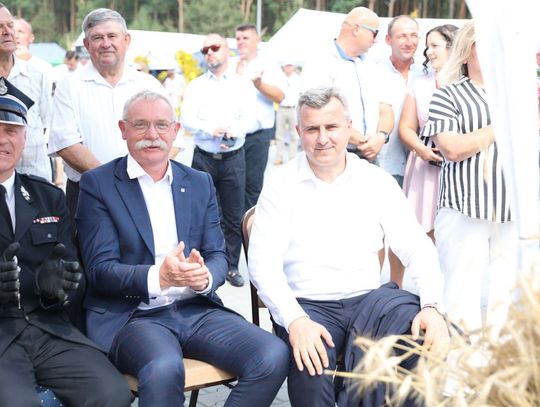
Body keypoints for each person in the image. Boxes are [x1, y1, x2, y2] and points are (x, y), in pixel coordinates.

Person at [76, 90, 289, 407]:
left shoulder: (199, 181)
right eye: (141, 125)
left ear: (175, 131)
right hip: (135, 316)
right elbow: (100, 271)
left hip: (196, 309)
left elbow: (218, 256)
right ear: (123, 129)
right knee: (164, 368)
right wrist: (159, 277)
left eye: (162, 125)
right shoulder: (99, 184)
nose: (152, 134)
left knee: (272, 353)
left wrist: (204, 277)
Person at [248, 86, 449, 406]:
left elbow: (416, 246)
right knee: (311, 372)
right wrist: (295, 320)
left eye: (331, 127)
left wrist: (432, 306)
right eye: (312, 129)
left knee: (426, 342)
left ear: (348, 127)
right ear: (298, 131)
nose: (322, 138)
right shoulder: (281, 184)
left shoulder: (375, 180)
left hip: (372, 305)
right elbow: (263, 264)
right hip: (308, 306)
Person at [0, 77, 132, 407]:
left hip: (48, 328)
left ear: (24, 137)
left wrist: (56, 290)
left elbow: (74, 277)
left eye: (11, 130)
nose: (2, 139)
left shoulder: (48, 198)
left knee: (113, 395)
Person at [422, 22, 516, 332]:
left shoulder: (518, 95)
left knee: (508, 296)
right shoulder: (447, 95)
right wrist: (501, 124)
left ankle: (502, 358)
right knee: (461, 295)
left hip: (511, 208)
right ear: (466, 51)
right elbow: (452, 148)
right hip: (465, 205)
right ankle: (461, 360)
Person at [48, 8, 171, 220]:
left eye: (112, 36)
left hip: (144, 192)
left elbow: (171, 138)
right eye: (97, 38)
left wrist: (144, 174)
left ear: (126, 40)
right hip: (88, 194)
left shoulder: (149, 85)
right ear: (87, 45)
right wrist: (112, 182)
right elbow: (66, 144)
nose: (106, 44)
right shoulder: (69, 86)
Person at [181, 33, 256, 287]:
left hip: (233, 157)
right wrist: (210, 129)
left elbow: (251, 118)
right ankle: (199, 263)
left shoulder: (242, 84)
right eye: (205, 50)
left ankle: (231, 266)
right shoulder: (196, 86)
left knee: (234, 216)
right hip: (204, 158)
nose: (210, 53)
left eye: (214, 47)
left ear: (227, 50)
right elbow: (186, 118)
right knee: (198, 212)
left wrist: (234, 131)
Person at [301, 6, 393, 163]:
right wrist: (364, 142)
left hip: (370, 153)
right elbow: (318, 113)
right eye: (375, 33)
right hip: (333, 154)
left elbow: (386, 108)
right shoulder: (320, 62)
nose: (376, 40)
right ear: (356, 29)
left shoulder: (371, 66)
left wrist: (381, 137)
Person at [399, 24, 458, 242]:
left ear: (453, 47)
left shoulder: (471, 85)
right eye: (427, 47)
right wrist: (420, 149)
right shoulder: (419, 86)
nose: (428, 52)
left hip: (461, 168)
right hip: (425, 168)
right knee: (422, 236)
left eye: (434, 46)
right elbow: (406, 127)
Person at [377, 15, 423, 287]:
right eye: (402, 35)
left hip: (421, 165)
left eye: (413, 35)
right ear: (388, 40)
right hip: (386, 161)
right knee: (378, 231)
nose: (409, 41)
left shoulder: (427, 71)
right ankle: (373, 289)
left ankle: (397, 287)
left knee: (407, 232)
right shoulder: (374, 71)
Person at [234, 23, 286, 210]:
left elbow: (280, 96)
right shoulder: (231, 64)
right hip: (234, 134)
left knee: (252, 186)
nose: (241, 42)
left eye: (245, 38)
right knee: (232, 185)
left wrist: (259, 85)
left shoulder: (269, 65)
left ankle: (249, 226)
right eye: (238, 38)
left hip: (257, 136)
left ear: (257, 40)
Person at [0, 5, 52, 182]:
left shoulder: (37, 75)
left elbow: (44, 124)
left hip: (36, 179)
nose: (7, 32)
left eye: (10, 25)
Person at [274, 61, 301, 165]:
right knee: (279, 134)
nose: (288, 68)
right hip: (281, 108)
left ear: (293, 67)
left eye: (290, 66)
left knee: (294, 134)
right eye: (287, 66)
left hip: (293, 109)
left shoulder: (298, 79)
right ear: (284, 67)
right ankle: (279, 157)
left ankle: (293, 157)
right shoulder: (279, 78)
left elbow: (301, 93)